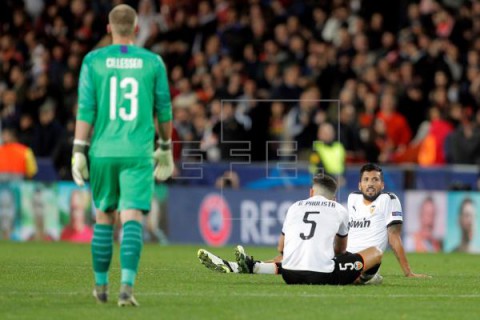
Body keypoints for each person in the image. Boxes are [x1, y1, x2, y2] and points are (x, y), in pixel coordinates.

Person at [71, 4, 173, 307]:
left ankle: (100, 287)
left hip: (102, 151)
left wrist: (78, 148)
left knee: (104, 216)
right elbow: (164, 109)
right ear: (137, 29)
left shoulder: (93, 61)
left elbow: (86, 108)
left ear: (108, 28)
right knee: (131, 218)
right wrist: (166, 146)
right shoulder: (153, 62)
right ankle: (126, 288)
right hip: (137, 152)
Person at [198, 163, 429, 280]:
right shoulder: (349, 201)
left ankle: (250, 266)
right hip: (342, 260)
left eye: (375, 180)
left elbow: (394, 237)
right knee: (306, 254)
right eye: (366, 179)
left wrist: (408, 272)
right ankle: (245, 266)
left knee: (373, 252)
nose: (370, 183)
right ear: (358, 185)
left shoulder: (390, 199)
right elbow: (340, 244)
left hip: (358, 260)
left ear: (382, 184)